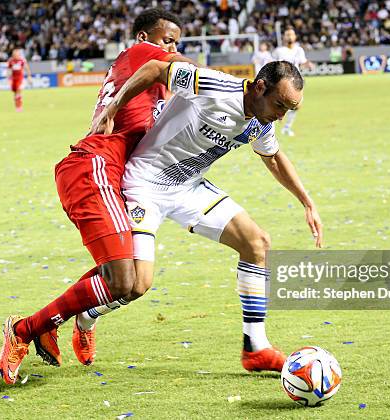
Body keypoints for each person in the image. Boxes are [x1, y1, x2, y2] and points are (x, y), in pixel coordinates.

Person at [86, 59, 323, 373]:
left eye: (288, 110)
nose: (281, 116)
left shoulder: (261, 121)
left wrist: (307, 202)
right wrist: (112, 109)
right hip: (145, 184)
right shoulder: (214, 85)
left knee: (257, 244)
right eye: (280, 105)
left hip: (188, 188)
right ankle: (86, 317)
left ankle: (256, 348)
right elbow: (157, 68)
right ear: (260, 87)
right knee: (136, 285)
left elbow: (274, 158)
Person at [0, 8, 194, 384]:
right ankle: (23, 330)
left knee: (136, 281)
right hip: (94, 169)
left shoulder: (149, 84)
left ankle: (79, 319)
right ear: (143, 38)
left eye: (176, 42)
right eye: (166, 39)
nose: (172, 47)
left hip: (109, 174)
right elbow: (182, 68)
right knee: (121, 280)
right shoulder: (140, 55)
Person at [272, 27, 312, 137]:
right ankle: (273, 127)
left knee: (297, 105)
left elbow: (302, 62)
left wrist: (308, 64)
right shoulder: (278, 51)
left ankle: (286, 127)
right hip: (282, 81)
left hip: (296, 81)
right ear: (284, 37)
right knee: (281, 105)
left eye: (291, 34)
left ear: (295, 37)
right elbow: (272, 65)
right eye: (287, 34)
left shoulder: (299, 50)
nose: (289, 36)